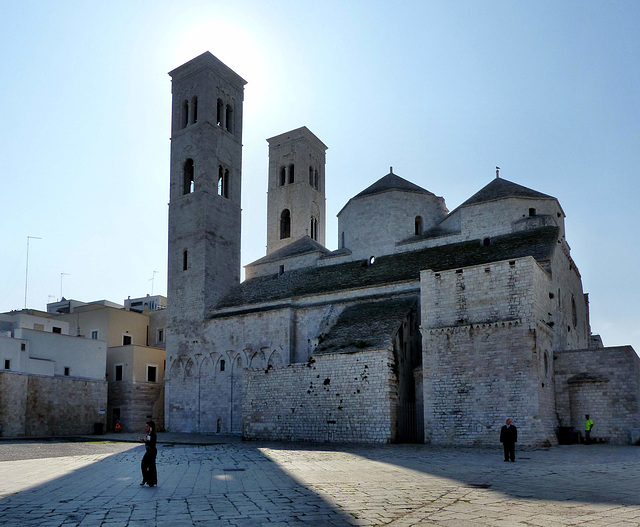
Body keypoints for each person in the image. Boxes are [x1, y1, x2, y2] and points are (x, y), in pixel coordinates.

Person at [140, 420, 157, 487]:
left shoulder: (153, 434)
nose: (146, 427)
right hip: (149, 451)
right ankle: (147, 480)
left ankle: (150, 481)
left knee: (150, 466)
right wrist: (144, 441)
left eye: (147, 426)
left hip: (152, 451)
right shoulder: (149, 433)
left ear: (150, 427)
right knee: (145, 465)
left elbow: (152, 443)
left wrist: (145, 441)